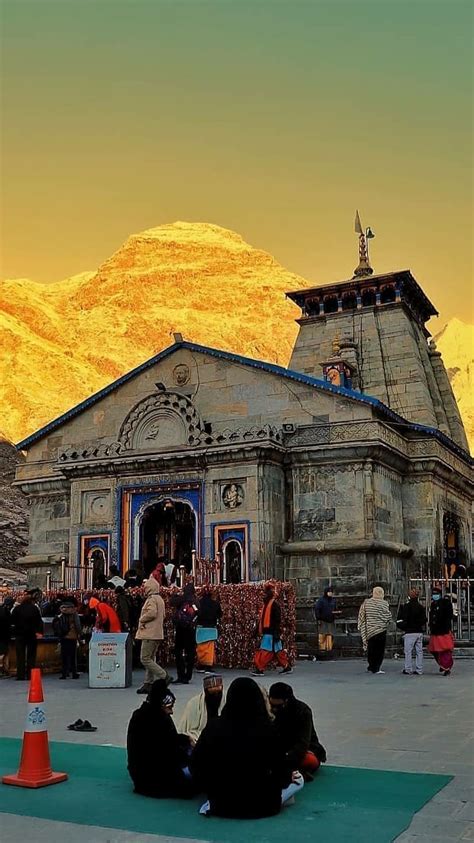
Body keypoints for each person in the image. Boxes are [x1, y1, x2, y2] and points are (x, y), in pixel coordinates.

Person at [191, 677, 304, 818]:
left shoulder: (214, 727)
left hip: (222, 803)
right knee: (299, 781)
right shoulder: (268, 729)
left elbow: (196, 765)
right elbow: (280, 768)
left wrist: (213, 788)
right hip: (263, 806)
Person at [127, 679, 195, 799]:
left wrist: (185, 739)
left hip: (139, 775)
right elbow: (168, 751)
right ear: (161, 705)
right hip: (156, 779)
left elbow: (167, 740)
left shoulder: (141, 714)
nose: (171, 712)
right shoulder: (160, 720)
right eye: (169, 707)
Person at [269, 682, 326, 780]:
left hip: (298, 750)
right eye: (272, 705)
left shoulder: (302, 711)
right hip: (277, 749)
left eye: (278, 706)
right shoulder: (267, 708)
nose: (274, 709)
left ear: (287, 701)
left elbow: (303, 743)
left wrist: (285, 758)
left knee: (310, 761)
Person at [136, 577, 173, 694]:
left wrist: (142, 619)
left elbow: (152, 613)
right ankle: (148, 683)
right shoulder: (160, 599)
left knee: (145, 658)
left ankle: (164, 675)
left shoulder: (151, 599)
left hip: (149, 633)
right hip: (157, 633)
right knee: (151, 658)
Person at [252, 582, 292, 676]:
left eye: (265, 593)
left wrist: (274, 631)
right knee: (278, 651)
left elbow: (276, 619)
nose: (263, 595)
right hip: (272, 632)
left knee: (265, 651)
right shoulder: (268, 604)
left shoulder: (272, 605)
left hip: (271, 632)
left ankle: (260, 668)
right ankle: (286, 667)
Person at [179, 674, 225, 744]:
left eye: (218, 693)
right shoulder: (194, 703)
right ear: (206, 691)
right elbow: (186, 731)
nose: (216, 695)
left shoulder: (226, 702)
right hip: (200, 737)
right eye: (212, 693)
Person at [357, 586, 392, 674]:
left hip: (370, 630)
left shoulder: (366, 603)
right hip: (381, 630)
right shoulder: (384, 603)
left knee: (371, 649)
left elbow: (362, 615)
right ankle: (376, 668)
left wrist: (361, 625)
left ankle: (371, 666)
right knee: (379, 650)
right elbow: (388, 616)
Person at [11, 589, 44, 680]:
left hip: (20, 635)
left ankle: (20, 675)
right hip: (31, 635)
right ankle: (30, 675)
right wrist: (39, 632)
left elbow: (12, 621)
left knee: (20, 656)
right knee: (31, 656)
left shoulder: (17, 609)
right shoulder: (34, 609)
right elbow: (39, 621)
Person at [172, 583, 199, 684]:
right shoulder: (195, 601)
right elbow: (198, 613)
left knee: (178, 651)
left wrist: (176, 595)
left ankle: (181, 675)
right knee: (190, 652)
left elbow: (172, 602)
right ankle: (188, 675)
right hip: (190, 629)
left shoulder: (182, 599)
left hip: (180, 628)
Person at [397, 589, 426, 676]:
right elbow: (424, 619)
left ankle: (408, 668)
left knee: (408, 651)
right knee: (419, 651)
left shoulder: (406, 606)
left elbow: (401, 619)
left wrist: (403, 627)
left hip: (409, 631)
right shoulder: (421, 607)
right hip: (418, 631)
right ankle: (419, 669)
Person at [53, 599, 82, 679]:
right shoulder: (74, 614)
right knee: (73, 656)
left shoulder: (61, 613)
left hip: (63, 637)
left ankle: (64, 674)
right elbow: (78, 625)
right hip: (72, 637)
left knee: (64, 656)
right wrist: (80, 634)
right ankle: (74, 673)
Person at [428, 586, 454, 676]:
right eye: (433, 594)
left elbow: (449, 616)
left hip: (443, 630)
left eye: (436, 594)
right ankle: (442, 664)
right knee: (434, 650)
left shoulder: (446, 603)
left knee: (445, 650)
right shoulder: (433, 604)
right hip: (435, 631)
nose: (434, 595)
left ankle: (446, 667)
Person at [195, 587, 222, 673]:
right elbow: (220, 614)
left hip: (201, 627)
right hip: (211, 628)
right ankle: (208, 666)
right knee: (209, 648)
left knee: (200, 647)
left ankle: (201, 664)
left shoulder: (198, 603)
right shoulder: (215, 604)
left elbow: (195, 614)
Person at [313, 586, 342, 654]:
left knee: (330, 636)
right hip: (323, 620)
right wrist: (318, 618)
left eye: (331, 592)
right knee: (322, 636)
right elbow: (317, 609)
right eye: (329, 592)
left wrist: (337, 613)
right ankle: (322, 650)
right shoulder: (321, 600)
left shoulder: (333, 600)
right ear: (326, 592)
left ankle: (329, 650)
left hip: (330, 620)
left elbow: (335, 609)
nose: (330, 593)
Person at [0, 596, 14, 677]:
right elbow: (9, 624)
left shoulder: (2, 609)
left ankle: (4, 670)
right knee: (3, 653)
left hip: (3, 635)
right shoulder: (6, 612)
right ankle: (3, 670)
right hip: (4, 636)